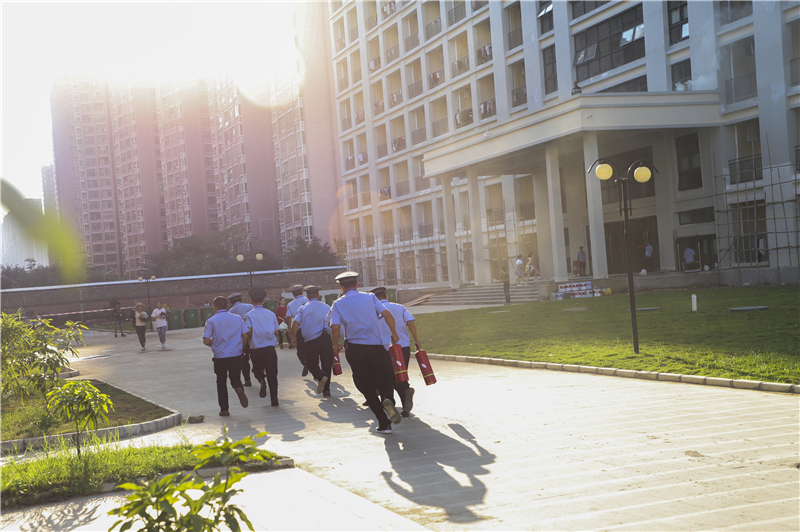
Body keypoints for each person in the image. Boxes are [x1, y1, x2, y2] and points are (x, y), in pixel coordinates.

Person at [329, 271, 402, 434]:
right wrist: (394, 334)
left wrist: (335, 344)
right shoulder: (370, 297)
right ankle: (387, 398)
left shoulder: (338, 304)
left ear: (341, 288)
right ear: (357, 284)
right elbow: (387, 314)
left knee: (364, 384)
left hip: (355, 348)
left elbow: (335, 327)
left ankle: (384, 422)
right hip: (376, 346)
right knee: (384, 378)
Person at [371, 286, 421, 418]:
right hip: (403, 346)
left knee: (387, 376)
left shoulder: (374, 309)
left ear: (374, 299)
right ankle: (405, 404)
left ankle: (389, 400)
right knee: (401, 374)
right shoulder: (399, 307)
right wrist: (416, 340)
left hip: (384, 347)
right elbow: (410, 323)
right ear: (386, 296)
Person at [203, 296, 249, 416]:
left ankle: (224, 409)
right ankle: (238, 388)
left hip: (220, 356)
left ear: (214, 307)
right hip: (235, 354)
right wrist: (241, 349)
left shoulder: (211, 321)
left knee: (221, 381)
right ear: (227, 306)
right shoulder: (237, 318)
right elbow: (245, 335)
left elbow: (206, 340)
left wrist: (213, 344)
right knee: (235, 378)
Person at [289, 285, 333, 397]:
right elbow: (333, 323)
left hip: (311, 340)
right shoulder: (327, 307)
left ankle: (320, 376)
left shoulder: (303, 308)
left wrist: (293, 337)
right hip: (326, 338)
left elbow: (295, 322)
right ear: (318, 295)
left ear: (307, 296)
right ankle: (327, 390)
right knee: (327, 364)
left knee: (311, 363)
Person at [243, 287, 280, 406]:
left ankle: (262, 380)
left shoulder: (249, 315)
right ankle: (274, 398)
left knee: (256, 369)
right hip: (270, 348)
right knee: (272, 373)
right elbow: (277, 331)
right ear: (264, 300)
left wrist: (249, 340)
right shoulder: (271, 314)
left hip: (256, 347)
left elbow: (248, 330)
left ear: (251, 300)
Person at [227, 293, 255, 387]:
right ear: (241, 300)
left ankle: (247, 380)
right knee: (257, 358)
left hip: (242, 338)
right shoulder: (251, 306)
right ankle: (261, 377)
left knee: (244, 360)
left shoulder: (231, 311)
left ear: (231, 303)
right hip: (254, 336)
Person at [284, 284, 309, 376]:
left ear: (293, 294)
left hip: (299, 329)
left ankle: (305, 363)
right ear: (302, 292)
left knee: (300, 349)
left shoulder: (291, 304)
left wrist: (290, 329)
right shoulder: (308, 300)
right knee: (310, 347)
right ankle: (311, 364)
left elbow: (289, 317)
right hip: (310, 328)